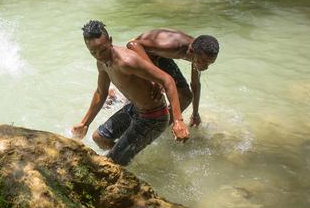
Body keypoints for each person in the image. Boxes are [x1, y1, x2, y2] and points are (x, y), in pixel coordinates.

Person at [72, 20, 189, 166]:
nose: (100, 55)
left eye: (103, 50)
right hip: (135, 109)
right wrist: (85, 123)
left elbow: (168, 80)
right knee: (99, 138)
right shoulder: (101, 63)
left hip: (153, 118)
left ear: (110, 41)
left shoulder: (126, 62)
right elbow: (101, 92)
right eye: (93, 52)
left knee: (111, 162)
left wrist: (178, 121)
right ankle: (130, 160)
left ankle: (120, 160)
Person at [126, 28, 219, 127]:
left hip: (159, 56)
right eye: (203, 62)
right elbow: (133, 44)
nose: (205, 67)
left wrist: (195, 114)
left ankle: (159, 128)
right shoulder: (175, 47)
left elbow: (195, 84)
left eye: (210, 63)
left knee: (186, 96)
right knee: (155, 96)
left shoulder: (199, 52)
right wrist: (154, 79)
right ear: (192, 51)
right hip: (141, 53)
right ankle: (132, 124)